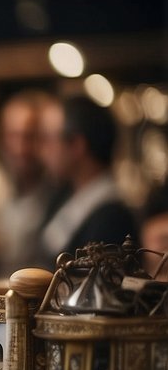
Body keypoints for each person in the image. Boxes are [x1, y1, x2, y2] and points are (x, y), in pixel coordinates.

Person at [40, 94, 137, 262]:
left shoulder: (112, 218)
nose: (42, 150)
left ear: (77, 145)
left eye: (48, 139)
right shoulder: (63, 194)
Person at [0, 91, 59, 272]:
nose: (20, 148)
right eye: (12, 135)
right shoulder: (1, 192)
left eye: (29, 136)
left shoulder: (60, 198)